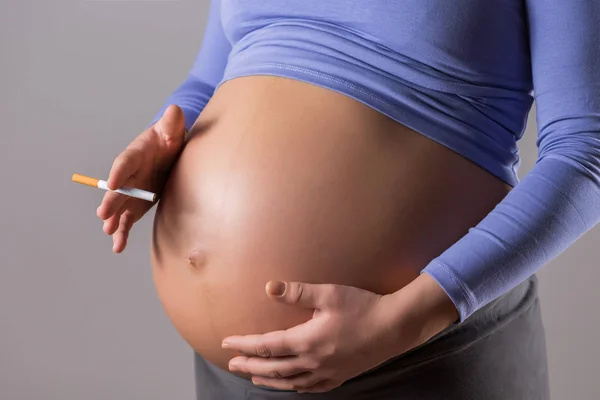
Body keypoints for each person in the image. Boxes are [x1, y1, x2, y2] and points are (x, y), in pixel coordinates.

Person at [96, 1, 600, 399]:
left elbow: (586, 152)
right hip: (229, 374)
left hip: (420, 354)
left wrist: (404, 320)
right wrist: (161, 143)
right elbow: (212, 76)